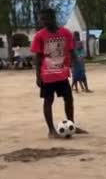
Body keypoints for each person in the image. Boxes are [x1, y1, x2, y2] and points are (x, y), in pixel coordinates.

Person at [31, 8, 88, 138]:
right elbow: (38, 57)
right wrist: (38, 76)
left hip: (62, 74)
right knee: (48, 101)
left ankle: (71, 124)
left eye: (45, 18)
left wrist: (75, 64)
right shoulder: (40, 35)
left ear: (53, 18)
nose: (43, 21)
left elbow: (72, 50)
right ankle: (51, 130)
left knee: (69, 99)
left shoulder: (66, 33)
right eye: (41, 19)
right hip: (47, 75)